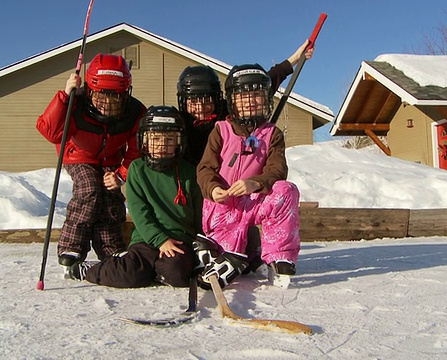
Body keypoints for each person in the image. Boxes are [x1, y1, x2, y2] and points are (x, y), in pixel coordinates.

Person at [195, 62, 305, 289]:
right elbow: (205, 168)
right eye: (243, 96)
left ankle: (279, 256)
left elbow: (277, 170)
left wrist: (255, 183)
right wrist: (214, 189)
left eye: (256, 95)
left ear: (266, 99)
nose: (250, 102)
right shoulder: (221, 130)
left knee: (287, 190)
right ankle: (221, 250)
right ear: (232, 100)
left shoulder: (272, 133)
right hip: (224, 204)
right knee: (233, 258)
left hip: (253, 201)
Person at [67, 105, 203, 288]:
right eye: (155, 139)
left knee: (177, 274)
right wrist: (160, 240)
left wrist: (201, 242)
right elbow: (139, 212)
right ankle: (91, 270)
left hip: (179, 240)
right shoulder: (137, 169)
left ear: (179, 142)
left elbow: (200, 213)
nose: (162, 146)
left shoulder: (189, 171)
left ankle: (156, 272)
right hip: (147, 240)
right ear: (144, 141)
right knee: (129, 275)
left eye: (169, 140)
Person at [36, 53, 146, 269]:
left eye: (115, 98)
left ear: (126, 94)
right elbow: (50, 132)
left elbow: (136, 148)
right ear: (89, 91)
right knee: (89, 189)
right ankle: (72, 245)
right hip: (77, 155)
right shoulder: (74, 104)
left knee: (111, 197)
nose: (106, 104)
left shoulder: (134, 112)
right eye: (100, 96)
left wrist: (122, 175)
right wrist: (65, 96)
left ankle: (110, 246)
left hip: (111, 159)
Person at [176, 38, 314, 167]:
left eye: (207, 100)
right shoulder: (178, 123)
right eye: (193, 101)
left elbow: (261, 85)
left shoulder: (230, 112)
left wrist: (295, 58)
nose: (200, 108)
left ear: (217, 99)